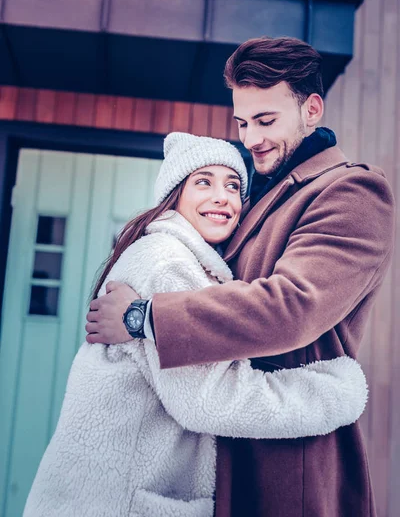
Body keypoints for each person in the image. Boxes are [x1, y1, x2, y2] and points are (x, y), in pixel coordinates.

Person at [87, 37, 395, 517]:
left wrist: (144, 317)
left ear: (311, 109)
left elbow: (290, 307)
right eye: (244, 123)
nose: (252, 139)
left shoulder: (351, 191)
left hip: (288, 465)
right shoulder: (255, 197)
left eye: (266, 121)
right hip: (226, 450)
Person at [24, 133, 368, 517]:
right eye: (203, 182)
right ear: (175, 194)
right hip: (115, 501)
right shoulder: (167, 262)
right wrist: (336, 392)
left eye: (233, 185)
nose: (222, 196)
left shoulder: (182, 257)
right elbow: (212, 399)